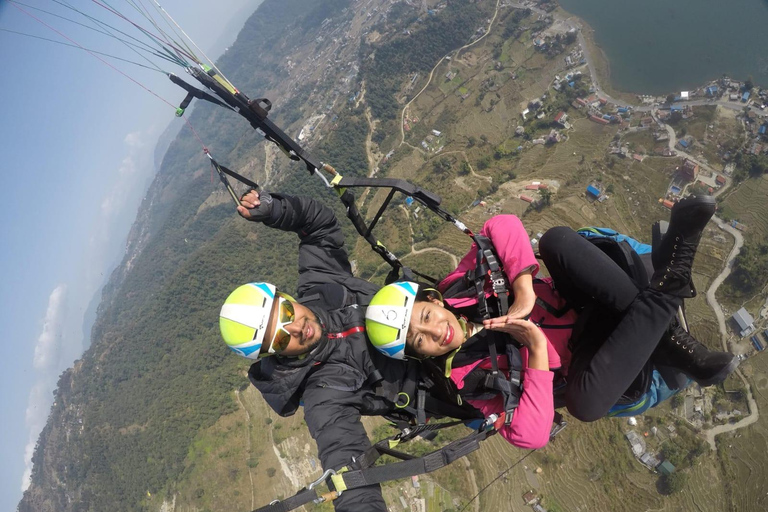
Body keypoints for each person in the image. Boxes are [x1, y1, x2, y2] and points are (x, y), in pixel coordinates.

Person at [365, 196, 739, 449]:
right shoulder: (465, 381)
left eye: (426, 317)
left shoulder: (458, 287)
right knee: (585, 404)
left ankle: (672, 332)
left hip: (594, 298)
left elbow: (502, 224)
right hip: (600, 357)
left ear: (432, 299)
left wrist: (523, 288)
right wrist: (537, 351)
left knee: (556, 240)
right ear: (419, 355)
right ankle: (677, 268)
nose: (433, 332)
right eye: (419, 342)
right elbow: (531, 436)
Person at [220, 189, 407, 512]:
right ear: (272, 354)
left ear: (287, 297)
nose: (295, 329)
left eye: (287, 313)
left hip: (438, 316)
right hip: (453, 379)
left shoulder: (320, 284)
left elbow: (318, 225)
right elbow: (344, 458)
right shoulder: (324, 393)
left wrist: (275, 209)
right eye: (280, 340)